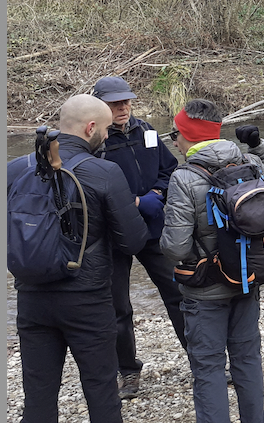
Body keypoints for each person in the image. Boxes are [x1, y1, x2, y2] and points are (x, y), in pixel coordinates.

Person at [8, 94, 150, 423]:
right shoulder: (104, 172)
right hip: (87, 300)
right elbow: (132, 241)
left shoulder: (15, 169)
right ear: (90, 129)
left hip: (31, 298)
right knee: (101, 388)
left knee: (39, 393)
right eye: (104, 129)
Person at [160, 99, 264, 423]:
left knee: (209, 367)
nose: (174, 140)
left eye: (177, 133)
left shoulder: (183, 179)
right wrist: (259, 144)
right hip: (246, 278)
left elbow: (174, 248)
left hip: (204, 294)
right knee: (247, 360)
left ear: (191, 137)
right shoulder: (249, 162)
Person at [92, 75, 187, 399]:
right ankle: (129, 372)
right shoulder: (95, 142)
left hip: (151, 229)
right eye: (114, 102)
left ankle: (202, 359)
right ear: (100, 106)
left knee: (178, 294)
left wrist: (157, 194)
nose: (122, 107)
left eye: (125, 101)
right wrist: (130, 202)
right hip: (113, 236)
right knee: (119, 308)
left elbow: (170, 168)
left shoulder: (146, 131)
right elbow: (89, 185)